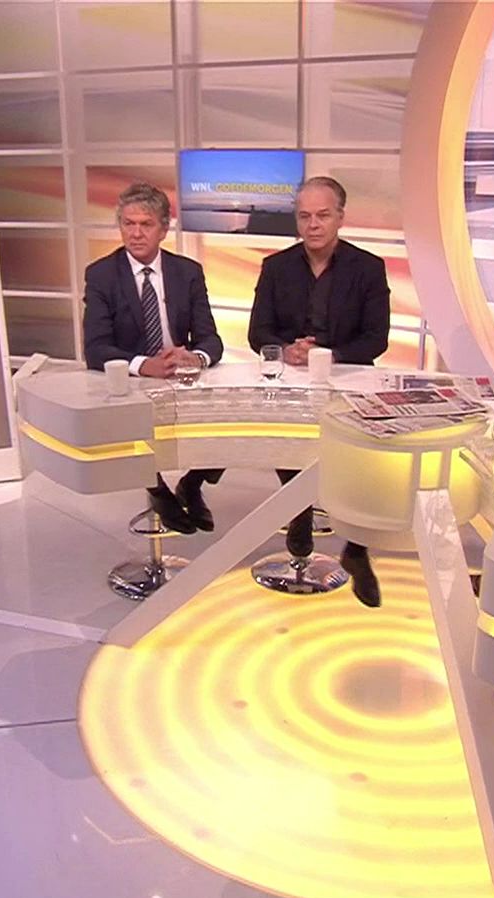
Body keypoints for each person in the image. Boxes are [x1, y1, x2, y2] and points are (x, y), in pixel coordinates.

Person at [248, 176, 391, 606]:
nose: (313, 225)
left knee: (365, 460)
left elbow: (376, 339)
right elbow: (258, 332)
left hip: (347, 377)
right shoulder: (276, 267)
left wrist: (326, 356)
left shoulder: (368, 268)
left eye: (323, 216)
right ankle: (298, 513)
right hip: (292, 378)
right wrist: (287, 350)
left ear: (340, 218)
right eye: (304, 216)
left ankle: (357, 550)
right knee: (285, 438)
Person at [81, 182, 225, 534]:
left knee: (231, 419)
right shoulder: (101, 275)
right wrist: (145, 366)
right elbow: (95, 348)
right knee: (125, 424)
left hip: (180, 376)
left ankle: (192, 483)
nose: (135, 233)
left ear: (164, 228)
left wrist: (194, 358)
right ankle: (157, 488)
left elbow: (211, 340)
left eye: (145, 224)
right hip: (131, 380)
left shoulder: (187, 272)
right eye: (128, 224)